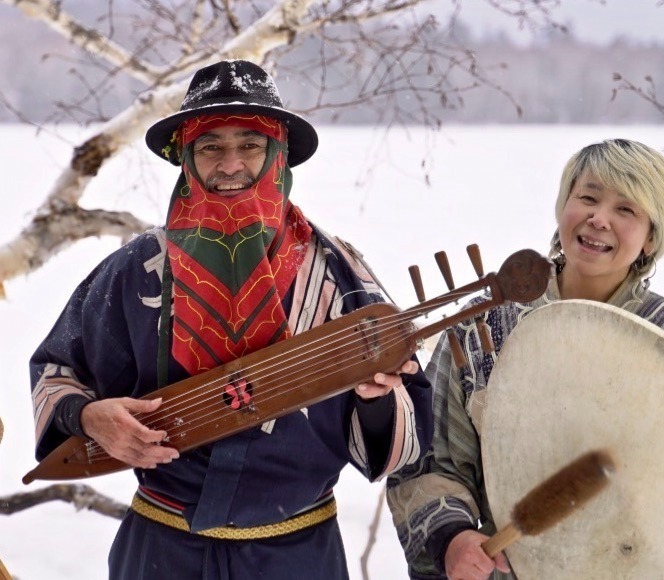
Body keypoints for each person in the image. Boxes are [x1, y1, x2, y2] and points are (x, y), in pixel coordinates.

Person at [29, 59, 433, 580]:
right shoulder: (135, 270)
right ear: (186, 160)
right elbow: (56, 369)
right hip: (162, 551)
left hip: (297, 557)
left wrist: (377, 401)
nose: (230, 165)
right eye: (210, 146)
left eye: (250, 144)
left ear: (279, 153)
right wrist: (88, 418)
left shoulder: (337, 272)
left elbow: (403, 429)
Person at [386, 138, 664, 580]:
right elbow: (428, 459)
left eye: (627, 209)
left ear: (651, 237)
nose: (599, 219)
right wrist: (452, 537)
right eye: (587, 197)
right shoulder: (484, 328)